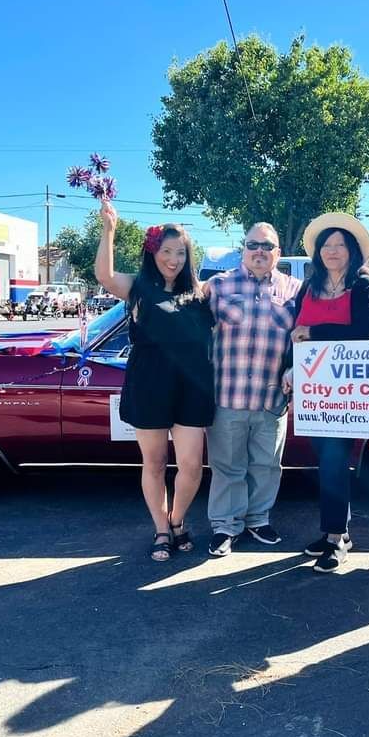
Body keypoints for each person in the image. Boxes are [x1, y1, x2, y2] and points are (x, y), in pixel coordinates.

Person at [95, 199, 214, 562]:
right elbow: (104, 275)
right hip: (149, 385)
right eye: (166, 251)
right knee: (155, 463)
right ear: (154, 252)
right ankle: (162, 528)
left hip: (192, 386)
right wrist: (109, 230)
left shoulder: (201, 291)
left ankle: (177, 519)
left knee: (192, 464)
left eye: (180, 252)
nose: (173, 259)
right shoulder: (138, 287)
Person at [282, 213, 369, 573]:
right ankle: (335, 532)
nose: (332, 251)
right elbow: (296, 334)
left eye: (340, 245)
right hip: (313, 390)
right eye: (327, 245)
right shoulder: (308, 287)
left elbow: (362, 330)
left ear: (352, 250)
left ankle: (337, 536)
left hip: (348, 389)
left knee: (336, 459)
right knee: (327, 461)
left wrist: (314, 332)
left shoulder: (364, 285)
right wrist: (289, 369)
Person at [205, 221, 301, 557]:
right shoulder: (216, 286)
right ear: (242, 249)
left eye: (267, 246)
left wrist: (294, 367)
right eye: (253, 245)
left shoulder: (295, 290)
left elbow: (306, 339)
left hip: (272, 398)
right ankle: (224, 526)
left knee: (267, 465)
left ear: (278, 252)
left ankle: (258, 519)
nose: (259, 251)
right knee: (227, 466)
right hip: (226, 395)